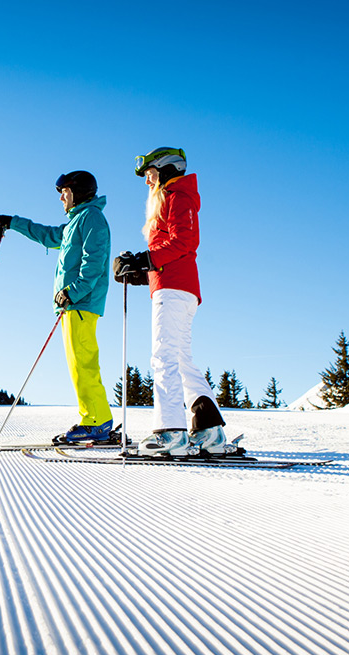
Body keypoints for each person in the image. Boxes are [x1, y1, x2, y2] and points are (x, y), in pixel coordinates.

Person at [114, 147, 228, 456]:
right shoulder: (173, 198)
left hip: (175, 289)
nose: (147, 181)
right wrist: (139, 271)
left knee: (163, 357)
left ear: (165, 170)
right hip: (175, 286)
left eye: (149, 174)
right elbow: (170, 254)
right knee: (180, 359)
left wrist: (145, 258)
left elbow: (182, 242)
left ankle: (170, 433)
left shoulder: (178, 197)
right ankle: (209, 432)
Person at [0, 170, 113, 443]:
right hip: (73, 305)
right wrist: (15, 223)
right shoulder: (75, 222)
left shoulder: (92, 218)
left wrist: (73, 291)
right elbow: (48, 235)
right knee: (79, 364)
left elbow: (94, 261)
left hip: (80, 303)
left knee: (83, 364)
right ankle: (98, 418)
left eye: (65, 192)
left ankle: (96, 421)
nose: (61, 197)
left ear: (79, 192)